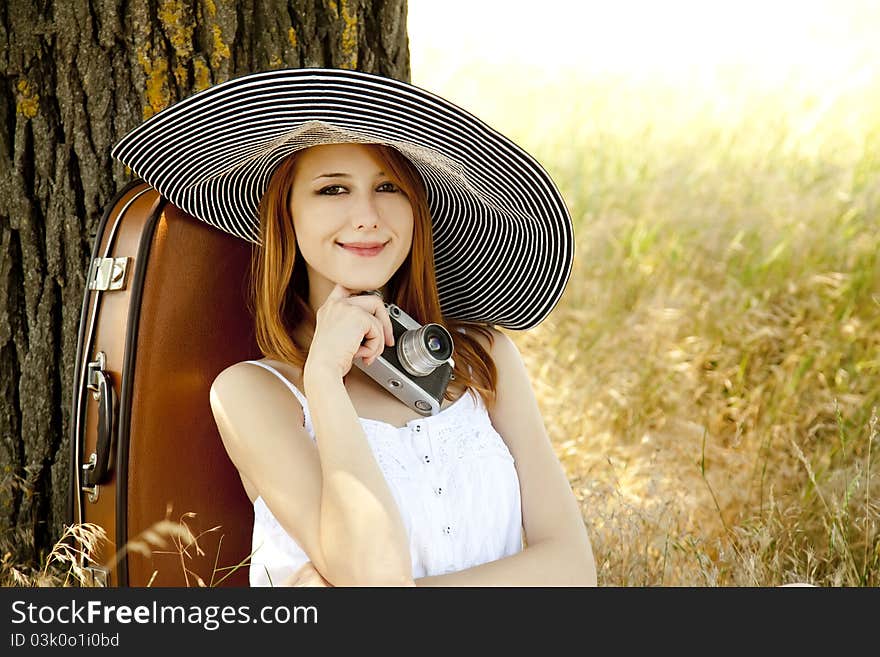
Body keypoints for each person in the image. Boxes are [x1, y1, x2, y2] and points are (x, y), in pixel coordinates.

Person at [112, 68, 596, 587]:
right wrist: (323, 379)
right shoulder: (252, 394)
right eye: (332, 189)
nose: (366, 216)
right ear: (287, 214)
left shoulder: (482, 357)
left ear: (418, 210)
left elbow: (572, 567)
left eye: (388, 187)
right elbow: (371, 572)